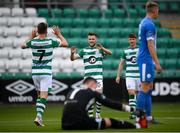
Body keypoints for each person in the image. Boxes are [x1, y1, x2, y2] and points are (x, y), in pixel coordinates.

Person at [21, 22, 68, 126]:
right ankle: (38, 116)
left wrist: (31, 37)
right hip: (46, 72)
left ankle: (39, 117)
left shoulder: (33, 42)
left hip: (35, 73)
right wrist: (59, 34)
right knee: (43, 97)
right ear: (46, 31)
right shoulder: (50, 41)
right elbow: (65, 43)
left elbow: (22, 46)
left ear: (37, 31)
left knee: (39, 96)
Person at [61, 77, 147, 130]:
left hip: (64, 124)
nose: (96, 87)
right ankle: (137, 126)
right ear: (91, 83)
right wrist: (133, 110)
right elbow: (111, 104)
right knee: (110, 121)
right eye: (96, 84)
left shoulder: (72, 91)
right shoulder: (92, 92)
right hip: (80, 123)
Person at [70, 32, 112, 118]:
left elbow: (110, 53)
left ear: (96, 39)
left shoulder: (100, 49)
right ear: (88, 40)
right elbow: (72, 59)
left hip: (98, 77)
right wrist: (72, 53)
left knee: (99, 94)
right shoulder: (84, 51)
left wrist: (102, 48)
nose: (91, 40)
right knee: (89, 97)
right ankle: (90, 115)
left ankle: (97, 114)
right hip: (88, 78)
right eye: (90, 39)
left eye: (93, 39)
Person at [137, 1, 162, 123]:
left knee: (149, 87)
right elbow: (150, 45)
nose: (158, 12)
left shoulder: (144, 22)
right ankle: (139, 117)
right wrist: (157, 63)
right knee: (145, 87)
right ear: (154, 10)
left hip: (146, 60)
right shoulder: (149, 24)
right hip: (146, 60)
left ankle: (148, 117)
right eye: (158, 10)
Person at [116, 33, 140, 119]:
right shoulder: (125, 51)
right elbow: (121, 64)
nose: (132, 41)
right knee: (131, 93)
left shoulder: (140, 49)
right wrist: (118, 76)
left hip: (139, 75)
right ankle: (133, 113)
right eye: (130, 39)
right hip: (129, 75)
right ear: (128, 40)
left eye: (133, 39)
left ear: (135, 40)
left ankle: (138, 111)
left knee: (138, 94)